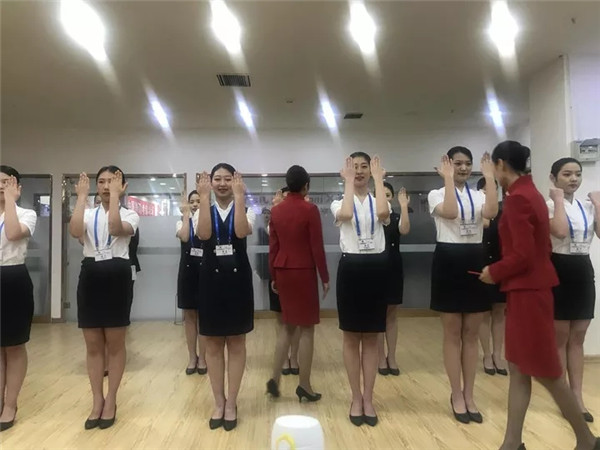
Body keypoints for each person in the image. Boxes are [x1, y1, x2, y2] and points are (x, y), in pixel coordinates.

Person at [479, 141, 599, 450]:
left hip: (528, 293)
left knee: (548, 372)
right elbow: (540, 247)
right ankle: (512, 443)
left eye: (493, 167)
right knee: (519, 369)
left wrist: (495, 271)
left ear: (501, 165)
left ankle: (586, 440)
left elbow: (522, 254)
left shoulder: (519, 199)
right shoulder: (529, 193)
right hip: (529, 290)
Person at [428, 147, 498, 424]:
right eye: (458, 163)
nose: (464, 168)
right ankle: (456, 394)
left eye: (468, 164)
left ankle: (470, 394)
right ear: (447, 164)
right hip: (448, 259)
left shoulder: (479, 194)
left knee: (472, 333)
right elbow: (449, 212)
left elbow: (491, 212)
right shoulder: (436, 193)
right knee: (452, 332)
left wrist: (489, 177)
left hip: (474, 257)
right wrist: (447, 179)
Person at [69, 166, 140, 430]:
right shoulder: (88, 212)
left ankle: (111, 399)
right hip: (91, 274)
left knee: (115, 343)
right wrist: (81, 197)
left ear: (123, 186)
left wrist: (116, 198)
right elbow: (75, 231)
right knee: (92, 344)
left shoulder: (130, 214)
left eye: (112, 181)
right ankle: (97, 399)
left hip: (117, 274)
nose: (106, 186)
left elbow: (115, 228)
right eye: (101, 182)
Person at [330, 152, 390, 427]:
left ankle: (369, 398)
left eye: (364, 167)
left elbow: (383, 214)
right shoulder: (339, 201)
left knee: (372, 338)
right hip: (351, 268)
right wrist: (348, 182)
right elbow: (345, 214)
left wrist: (379, 180)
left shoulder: (379, 199)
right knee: (352, 337)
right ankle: (356, 397)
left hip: (377, 267)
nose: (360, 171)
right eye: (354, 167)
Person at [194, 164, 255, 432]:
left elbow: (240, 232)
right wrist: (203, 197)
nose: (221, 184)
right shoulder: (203, 208)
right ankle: (218, 402)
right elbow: (204, 234)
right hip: (210, 281)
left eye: (227, 179)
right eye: (217, 179)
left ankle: (232, 402)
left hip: (238, 282)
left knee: (237, 342)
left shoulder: (246, 208)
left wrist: (239, 197)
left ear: (235, 182)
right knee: (213, 344)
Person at [266, 165, 330, 401]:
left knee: (286, 326)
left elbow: (273, 248)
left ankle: (274, 379)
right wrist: (324, 277)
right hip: (303, 271)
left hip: (283, 271)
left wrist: (274, 275)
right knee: (307, 329)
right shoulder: (310, 209)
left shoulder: (276, 211)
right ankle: (304, 384)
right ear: (306, 186)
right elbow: (316, 246)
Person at [547, 157, 599, 423]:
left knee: (578, 336)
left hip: (582, 269)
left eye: (577, 174)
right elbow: (559, 231)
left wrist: (598, 205)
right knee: (560, 337)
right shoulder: (547, 205)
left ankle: (577, 397)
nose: (574, 179)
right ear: (554, 178)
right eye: (567, 174)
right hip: (558, 268)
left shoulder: (586, 205)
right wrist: (557, 200)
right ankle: (564, 397)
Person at [0, 166, 37, 432]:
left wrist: (11, 202)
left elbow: (12, 233)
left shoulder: (26, 214)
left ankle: (10, 405)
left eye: (5, 182)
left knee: (13, 345)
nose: (0, 186)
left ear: (17, 187)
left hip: (13, 278)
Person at [377, 181, 410, 376]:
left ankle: (392, 356)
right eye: (381, 195)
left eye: (388, 195)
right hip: (375, 268)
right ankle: (380, 357)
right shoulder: (371, 218)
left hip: (394, 268)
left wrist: (404, 206)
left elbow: (404, 230)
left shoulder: (397, 216)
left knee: (392, 315)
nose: (385, 199)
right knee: (378, 315)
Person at [476, 177, 508, 377]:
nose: (491, 192)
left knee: (499, 311)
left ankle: (498, 354)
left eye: (494, 189)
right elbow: (485, 225)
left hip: (501, 264)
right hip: (480, 264)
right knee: (483, 312)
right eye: (486, 189)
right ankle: (486, 354)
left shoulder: (504, 212)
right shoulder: (476, 210)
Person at [267, 187, 300, 376]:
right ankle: (283, 358)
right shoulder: (275, 217)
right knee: (280, 318)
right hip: (277, 272)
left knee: (296, 320)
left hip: (297, 272)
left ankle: (294, 357)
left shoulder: (303, 216)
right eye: (284, 199)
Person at [176, 190, 207, 375]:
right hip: (187, 272)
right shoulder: (181, 221)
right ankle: (192, 357)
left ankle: (202, 357)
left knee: (203, 316)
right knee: (189, 316)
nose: (195, 204)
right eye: (192, 201)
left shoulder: (209, 221)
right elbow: (185, 237)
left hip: (205, 272)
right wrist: (186, 215)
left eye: (198, 201)